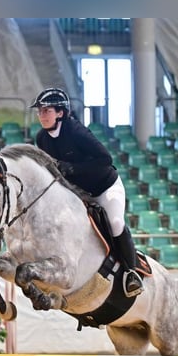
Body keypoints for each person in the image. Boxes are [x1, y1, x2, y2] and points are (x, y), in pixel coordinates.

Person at [30, 87, 143, 298]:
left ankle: (131, 272)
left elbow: (105, 159)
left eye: (47, 111)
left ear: (60, 113)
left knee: (116, 223)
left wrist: (72, 168)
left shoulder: (76, 132)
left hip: (104, 187)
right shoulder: (42, 138)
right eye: (40, 111)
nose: (42, 116)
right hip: (76, 193)